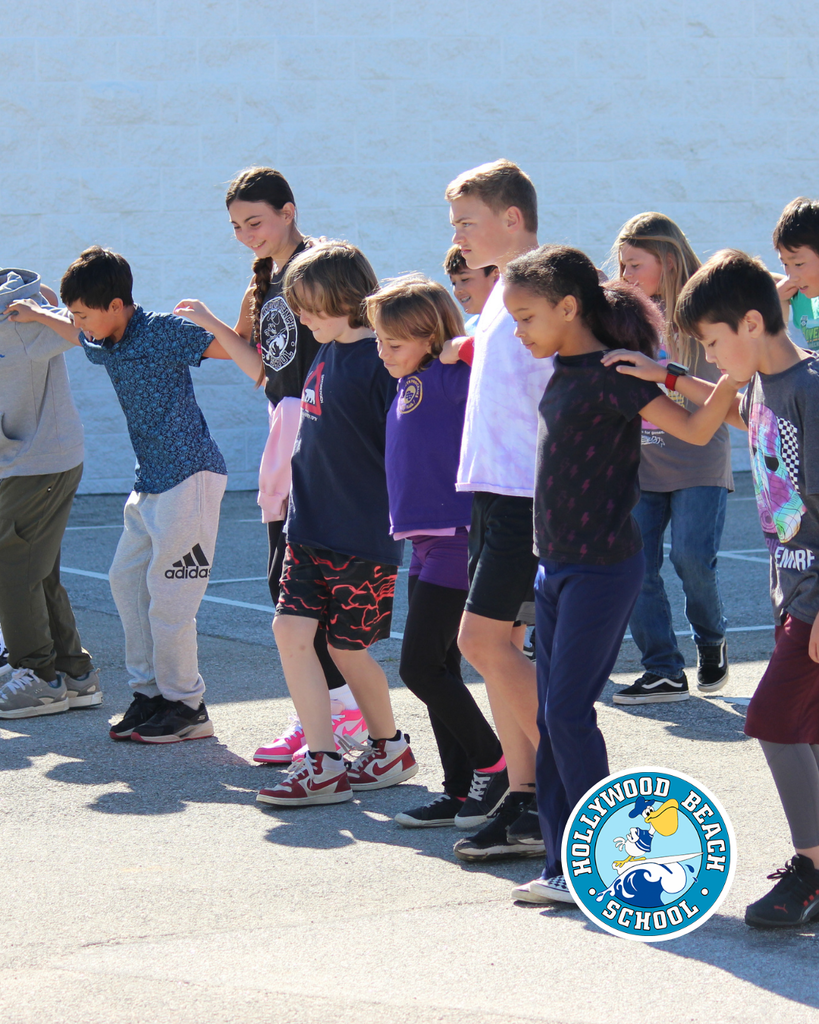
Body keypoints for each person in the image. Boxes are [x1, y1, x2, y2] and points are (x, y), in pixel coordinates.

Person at [500, 244, 740, 905]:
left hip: (603, 569)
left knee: (567, 713)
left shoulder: (611, 375)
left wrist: (686, 376)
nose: (518, 332)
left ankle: (598, 864)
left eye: (524, 317)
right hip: (555, 566)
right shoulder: (563, 373)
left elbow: (695, 433)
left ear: (567, 307)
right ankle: (560, 864)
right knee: (553, 718)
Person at [173, 166, 365, 765]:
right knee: (286, 579)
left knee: (309, 586)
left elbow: (357, 342)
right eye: (235, 225)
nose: (245, 234)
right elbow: (262, 371)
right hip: (285, 431)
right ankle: (330, 712)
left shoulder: (321, 268)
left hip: (322, 430)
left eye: (254, 221)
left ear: (288, 210)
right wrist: (210, 323)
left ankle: (339, 717)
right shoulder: (262, 283)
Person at [6, 247, 226, 743]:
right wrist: (41, 312)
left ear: (117, 304)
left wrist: (220, 317)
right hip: (149, 482)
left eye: (85, 313)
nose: (79, 324)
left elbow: (234, 349)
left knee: (169, 602)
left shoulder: (164, 331)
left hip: (191, 478)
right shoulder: (105, 337)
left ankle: (188, 705)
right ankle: (151, 696)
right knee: (126, 583)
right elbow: (72, 333)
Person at [673, 250, 819, 928]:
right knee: (806, 731)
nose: (707, 355)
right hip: (790, 587)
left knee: (769, 719)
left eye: (709, 340)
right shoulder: (761, 384)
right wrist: (668, 377)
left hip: (815, 594)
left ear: (751, 320)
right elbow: (760, 436)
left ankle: (812, 870)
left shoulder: (807, 389)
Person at [255, 241, 418, 808]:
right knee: (290, 631)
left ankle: (389, 745)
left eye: (307, 307)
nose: (299, 318)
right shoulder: (325, 351)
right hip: (309, 528)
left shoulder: (382, 360)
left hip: (362, 536)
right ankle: (322, 762)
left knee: (349, 650)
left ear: (343, 300)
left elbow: (406, 449)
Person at [442, 158, 554, 863]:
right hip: (490, 493)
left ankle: (575, 770)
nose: (455, 235)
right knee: (498, 647)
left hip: (527, 496)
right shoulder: (496, 295)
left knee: (479, 642)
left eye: (466, 221)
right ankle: (525, 797)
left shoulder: (542, 287)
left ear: (511, 221)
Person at [367, 273, 508, 828]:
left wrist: (460, 345)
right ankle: (457, 790)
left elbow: (497, 355)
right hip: (422, 542)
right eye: (379, 340)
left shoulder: (450, 374)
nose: (383, 352)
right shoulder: (407, 379)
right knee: (440, 662)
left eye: (394, 343)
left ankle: (493, 763)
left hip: (454, 537)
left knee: (419, 666)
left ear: (431, 337)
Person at [609, 213, 733, 705]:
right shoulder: (623, 313)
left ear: (667, 259)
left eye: (635, 264)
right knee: (638, 567)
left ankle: (710, 639)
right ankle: (662, 669)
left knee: (690, 559)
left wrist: (662, 371)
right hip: (642, 465)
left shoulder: (703, 309)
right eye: (621, 265)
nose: (626, 275)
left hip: (700, 458)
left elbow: (723, 390)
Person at [0, 267, 100, 718]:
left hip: (40, 462)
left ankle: (39, 677)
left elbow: (85, 331)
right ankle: (74, 674)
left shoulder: (17, 319)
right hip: (28, 463)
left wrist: (45, 309)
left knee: (13, 568)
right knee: (37, 570)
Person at [773, 197, 819, 351]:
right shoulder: (802, 295)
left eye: (799, 264)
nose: (792, 277)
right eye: (785, 264)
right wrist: (776, 298)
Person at [443, 245, 498, 331]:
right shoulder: (469, 329)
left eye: (465, 279)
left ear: (495, 275)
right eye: (453, 283)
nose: (458, 290)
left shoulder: (515, 322)